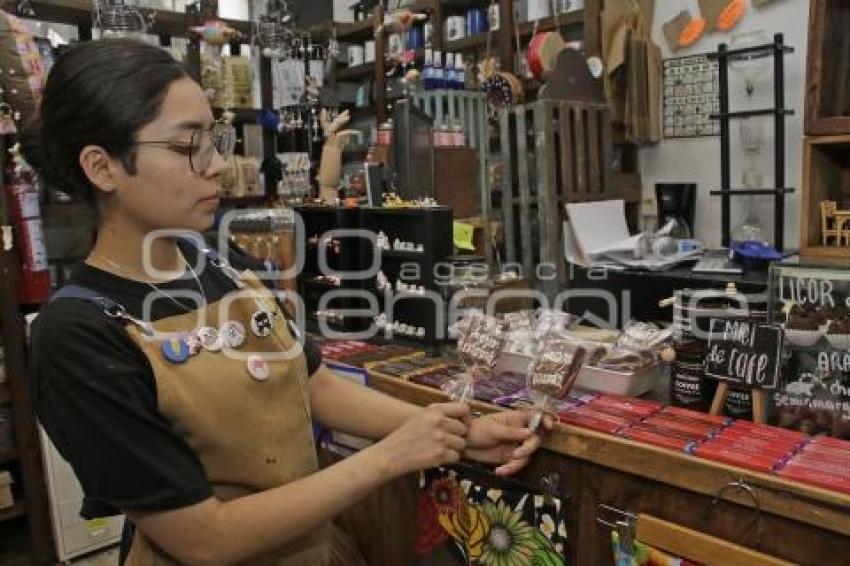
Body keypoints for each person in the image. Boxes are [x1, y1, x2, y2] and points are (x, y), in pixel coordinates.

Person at [26, 39, 550, 565]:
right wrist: (388, 458)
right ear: (102, 166)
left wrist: (454, 430)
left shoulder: (214, 258)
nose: (217, 166)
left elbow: (312, 383)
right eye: (189, 147)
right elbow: (205, 538)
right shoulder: (78, 333)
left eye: (216, 140)